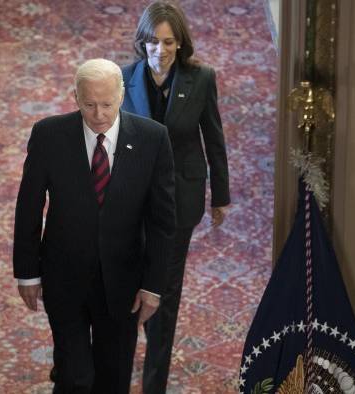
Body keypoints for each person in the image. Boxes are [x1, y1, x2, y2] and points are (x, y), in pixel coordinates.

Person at [13, 58, 176, 394]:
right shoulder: (49, 135)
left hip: (123, 284)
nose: (99, 115)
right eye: (89, 105)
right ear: (75, 98)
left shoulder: (153, 139)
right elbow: (29, 207)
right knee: (75, 377)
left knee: (113, 378)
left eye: (107, 104)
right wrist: (27, 272)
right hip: (64, 277)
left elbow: (162, 222)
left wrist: (154, 286)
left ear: (121, 96)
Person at [121, 2, 231, 393]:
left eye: (168, 42)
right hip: (133, 201)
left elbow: (213, 139)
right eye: (153, 41)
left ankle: (155, 383)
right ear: (142, 42)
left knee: (166, 291)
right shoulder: (123, 78)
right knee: (130, 281)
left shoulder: (201, 79)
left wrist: (221, 195)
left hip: (180, 201)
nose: (160, 50)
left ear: (180, 43)